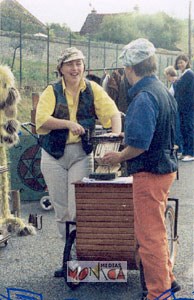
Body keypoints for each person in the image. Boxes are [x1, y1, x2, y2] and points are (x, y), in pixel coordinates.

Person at [102, 38, 180, 300]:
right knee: (157, 230)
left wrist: (117, 157)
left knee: (149, 238)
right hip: (164, 169)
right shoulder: (161, 90)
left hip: (149, 172)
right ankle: (168, 279)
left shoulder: (143, 98)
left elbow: (138, 145)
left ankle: (159, 293)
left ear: (129, 69)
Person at [35, 47, 121, 277]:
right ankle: (69, 258)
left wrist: (115, 139)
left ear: (84, 67)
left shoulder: (93, 89)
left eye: (79, 64)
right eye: (70, 64)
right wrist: (68, 124)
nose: (75, 69)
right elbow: (41, 119)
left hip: (81, 154)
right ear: (61, 69)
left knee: (78, 209)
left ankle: (84, 256)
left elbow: (113, 113)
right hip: (53, 155)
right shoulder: (51, 91)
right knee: (62, 211)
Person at [174, 54, 194, 162]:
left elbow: (181, 89)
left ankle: (190, 153)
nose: (180, 64)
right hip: (183, 107)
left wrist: (176, 82)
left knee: (188, 129)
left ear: (186, 62)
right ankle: (186, 152)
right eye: (178, 63)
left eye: (181, 62)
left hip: (188, 107)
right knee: (184, 129)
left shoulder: (189, 74)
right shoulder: (183, 74)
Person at [164, 66, 183, 157]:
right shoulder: (174, 83)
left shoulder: (175, 83)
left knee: (176, 129)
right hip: (176, 108)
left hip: (175, 109)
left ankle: (179, 149)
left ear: (168, 75)